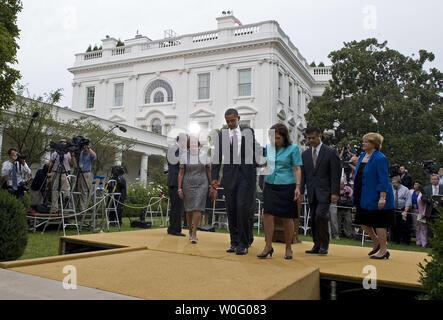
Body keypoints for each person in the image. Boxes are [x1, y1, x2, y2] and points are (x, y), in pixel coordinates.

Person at [211, 108, 261, 255]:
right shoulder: (222, 136)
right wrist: (214, 178)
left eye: (232, 120)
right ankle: (234, 242)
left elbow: (256, 150)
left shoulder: (248, 131)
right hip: (229, 178)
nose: (230, 123)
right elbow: (216, 157)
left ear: (238, 118)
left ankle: (244, 243)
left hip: (246, 177)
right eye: (227, 121)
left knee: (242, 208)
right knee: (231, 209)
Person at [257, 123, 302, 260]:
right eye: (272, 138)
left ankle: (288, 248)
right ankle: (268, 245)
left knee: (287, 218)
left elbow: (297, 169)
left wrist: (298, 187)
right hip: (270, 185)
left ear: (284, 137)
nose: (274, 141)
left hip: (287, 185)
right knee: (267, 215)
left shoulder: (293, 149)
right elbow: (266, 167)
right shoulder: (268, 149)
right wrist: (264, 184)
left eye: (277, 138)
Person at [353, 133, 395, 259]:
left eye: (366, 141)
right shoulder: (362, 156)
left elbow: (383, 179)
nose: (363, 143)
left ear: (373, 144)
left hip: (377, 195)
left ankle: (383, 250)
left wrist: (382, 197)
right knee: (361, 220)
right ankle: (376, 241)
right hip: (363, 194)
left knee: (380, 223)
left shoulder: (380, 158)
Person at [301, 126, 341, 255]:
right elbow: (303, 175)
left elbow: (335, 174)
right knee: (313, 218)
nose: (311, 140)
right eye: (309, 138)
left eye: (313, 138)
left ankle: (325, 244)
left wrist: (335, 193)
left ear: (320, 137)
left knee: (321, 216)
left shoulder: (330, 152)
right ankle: (316, 244)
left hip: (326, 191)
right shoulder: (305, 154)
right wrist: (301, 191)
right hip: (311, 192)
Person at [178, 135, 212, 244]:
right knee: (189, 210)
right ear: (189, 145)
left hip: (202, 184)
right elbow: (181, 173)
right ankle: (190, 229)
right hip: (187, 184)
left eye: (195, 142)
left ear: (198, 144)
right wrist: (179, 188)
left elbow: (209, 171)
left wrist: (212, 185)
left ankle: (194, 233)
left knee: (198, 208)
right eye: (191, 143)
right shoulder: (184, 156)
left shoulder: (204, 155)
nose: (193, 144)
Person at [166, 134, 188, 237]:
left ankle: (174, 228)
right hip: (175, 181)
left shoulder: (180, 151)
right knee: (176, 206)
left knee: (178, 206)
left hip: (178, 181)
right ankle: (174, 229)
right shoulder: (174, 150)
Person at [48, 139, 75, 214]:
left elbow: (73, 163)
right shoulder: (55, 153)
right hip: (56, 173)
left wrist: (72, 154)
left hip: (65, 173)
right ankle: (54, 209)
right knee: (55, 191)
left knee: (66, 190)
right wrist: (48, 166)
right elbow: (50, 163)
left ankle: (66, 208)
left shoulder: (68, 153)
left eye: (65, 142)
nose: (63, 143)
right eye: (62, 142)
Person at [391, 177, 412, 245]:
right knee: (394, 225)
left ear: (399, 183)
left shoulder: (405, 189)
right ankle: (395, 240)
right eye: (392, 183)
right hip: (393, 209)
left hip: (403, 209)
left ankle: (405, 241)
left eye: (395, 183)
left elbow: (408, 201)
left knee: (405, 226)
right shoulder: (390, 188)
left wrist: (405, 211)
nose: (393, 185)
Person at [422, 174, 443, 244]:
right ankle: (430, 243)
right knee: (430, 228)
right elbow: (423, 198)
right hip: (430, 210)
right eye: (433, 179)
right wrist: (430, 200)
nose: (434, 180)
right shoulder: (426, 188)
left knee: (439, 227)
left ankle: (439, 243)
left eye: (435, 179)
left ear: (438, 180)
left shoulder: (442, 188)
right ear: (431, 180)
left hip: (440, 210)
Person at [75, 144, 97, 213]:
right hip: (80, 173)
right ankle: (80, 207)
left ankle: (83, 209)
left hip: (86, 173)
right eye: (84, 147)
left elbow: (94, 156)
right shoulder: (81, 153)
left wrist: (89, 148)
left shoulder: (90, 154)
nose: (84, 148)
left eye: (86, 147)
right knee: (80, 190)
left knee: (84, 191)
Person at [410, 181, 428, 248]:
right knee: (416, 226)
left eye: (417, 184)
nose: (416, 185)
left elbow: (425, 204)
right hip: (413, 211)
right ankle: (418, 242)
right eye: (415, 184)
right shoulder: (411, 192)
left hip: (421, 212)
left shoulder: (422, 193)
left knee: (423, 226)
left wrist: (424, 213)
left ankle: (424, 242)